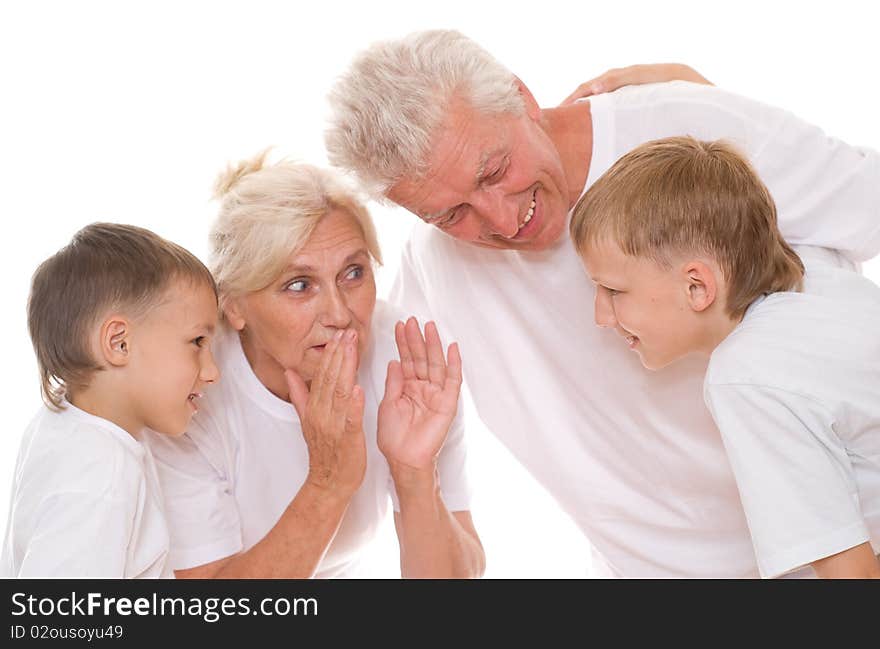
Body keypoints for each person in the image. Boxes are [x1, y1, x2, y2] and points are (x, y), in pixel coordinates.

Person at [324, 29, 880, 577]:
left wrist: (710, 111)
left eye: (493, 171)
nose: (498, 220)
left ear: (521, 98)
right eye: (450, 215)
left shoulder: (683, 125)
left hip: (849, 545)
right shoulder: (433, 267)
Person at [146, 152, 484, 578]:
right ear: (233, 307)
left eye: (354, 273)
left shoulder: (406, 362)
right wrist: (327, 483)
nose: (341, 314)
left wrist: (415, 473)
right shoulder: (191, 391)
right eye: (299, 285)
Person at [569, 136, 880, 579]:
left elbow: (854, 576)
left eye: (614, 290)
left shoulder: (746, 376)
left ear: (697, 287)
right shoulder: (825, 284)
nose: (601, 315)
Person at [1, 223, 219, 578]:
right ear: (119, 343)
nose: (212, 372)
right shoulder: (101, 474)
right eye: (197, 342)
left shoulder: (64, 423)